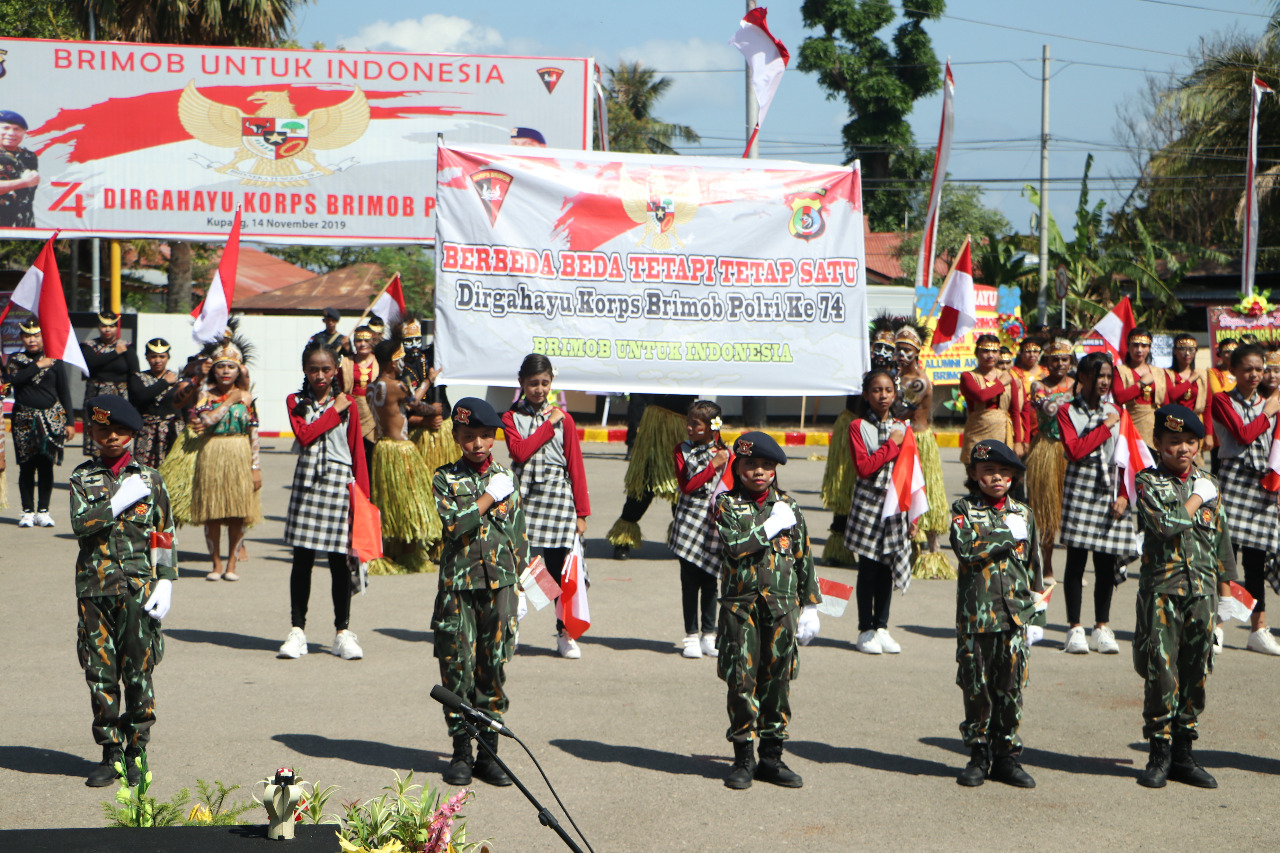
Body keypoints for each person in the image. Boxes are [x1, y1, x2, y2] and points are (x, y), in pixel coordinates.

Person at [70, 395, 177, 787]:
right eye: (103, 430)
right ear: (93, 433)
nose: (111, 436)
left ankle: (137, 750)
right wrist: (115, 504)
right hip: (95, 591)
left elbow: (164, 532)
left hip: (138, 589)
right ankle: (110, 751)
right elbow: (81, 524)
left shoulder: (151, 479)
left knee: (139, 672)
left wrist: (166, 579)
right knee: (100, 672)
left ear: (132, 433)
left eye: (119, 430)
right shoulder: (82, 478)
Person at [1132, 405, 1235, 788]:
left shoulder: (1208, 482)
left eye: (1190, 442)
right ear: (1158, 444)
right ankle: (1158, 752)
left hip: (1202, 592)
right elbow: (1163, 525)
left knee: (1196, 671)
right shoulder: (1148, 482)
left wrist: (1227, 592)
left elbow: (1222, 539)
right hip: (1163, 590)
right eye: (1174, 442)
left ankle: (1183, 752)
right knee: (1161, 671)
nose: (1183, 449)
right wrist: (1196, 499)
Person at [715, 431, 820, 790]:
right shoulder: (727, 505)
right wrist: (770, 526)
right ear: (738, 467)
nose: (759, 471)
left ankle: (772, 757)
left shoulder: (790, 506)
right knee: (742, 682)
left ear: (775, 469)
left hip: (782, 609)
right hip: (741, 610)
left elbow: (804, 558)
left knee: (778, 682)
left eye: (766, 465)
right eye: (750, 465)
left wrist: (810, 608)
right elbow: (735, 546)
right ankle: (743, 757)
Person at [433, 397, 529, 788]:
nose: (477, 444)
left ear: (495, 439)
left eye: (485, 436)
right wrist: (490, 496)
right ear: (456, 436)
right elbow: (456, 525)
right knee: (458, 670)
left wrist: (522, 583)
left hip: (500, 588)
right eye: (469, 436)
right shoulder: (446, 478)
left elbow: (518, 535)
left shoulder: (507, 477)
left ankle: (489, 753)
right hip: (459, 588)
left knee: (493, 667)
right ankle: (461, 752)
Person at [949, 439, 1043, 789]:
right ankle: (978, 753)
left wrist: (1037, 614)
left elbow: (1032, 567)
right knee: (977, 687)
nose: (997, 477)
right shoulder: (963, 510)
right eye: (988, 471)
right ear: (974, 474)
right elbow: (967, 549)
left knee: (1011, 687)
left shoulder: (1024, 513)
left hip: (1014, 617)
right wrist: (1005, 534)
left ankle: (1006, 756)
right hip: (977, 618)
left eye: (1005, 471)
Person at [278, 344, 370, 662]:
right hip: (307, 487)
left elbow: (358, 451)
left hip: (339, 487)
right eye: (314, 369)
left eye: (326, 369)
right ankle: (297, 631)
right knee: (302, 560)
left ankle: (342, 632)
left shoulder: (352, 406)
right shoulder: (296, 402)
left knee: (338, 563)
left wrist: (364, 499)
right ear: (305, 370)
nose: (320, 375)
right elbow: (305, 435)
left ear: (336, 370)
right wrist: (335, 410)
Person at [501, 354, 591, 659]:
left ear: (551, 381)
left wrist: (582, 513)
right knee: (525, 566)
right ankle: (514, 628)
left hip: (559, 500)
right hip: (526, 500)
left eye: (544, 382)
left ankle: (565, 633)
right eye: (532, 383)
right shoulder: (511, 418)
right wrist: (546, 424)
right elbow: (520, 452)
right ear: (521, 383)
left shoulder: (564, 419)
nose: (539, 389)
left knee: (562, 570)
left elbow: (575, 466)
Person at [1057, 352, 1139, 655]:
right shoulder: (1067, 411)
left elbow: (1128, 457)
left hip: (1112, 494)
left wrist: (1123, 495)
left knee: (1105, 563)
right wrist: (1105, 426)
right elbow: (1075, 450)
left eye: (1108, 376)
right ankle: (1074, 628)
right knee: (1076, 562)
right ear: (1083, 377)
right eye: (1098, 376)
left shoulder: (1119, 411)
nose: (1104, 382)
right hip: (1081, 491)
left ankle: (1102, 626)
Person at [1209, 342, 1280, 655]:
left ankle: (1258, 629)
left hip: (1261, 489)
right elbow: (1242, 434)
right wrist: (1267, 412)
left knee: (1256, 561)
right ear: (1233, 371)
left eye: (1259, 369)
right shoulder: (1222, 400)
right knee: (1225, 559)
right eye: (1248, 369)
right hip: (1233, 482)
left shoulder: (1270, 402)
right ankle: (1217, 626)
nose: (1255, 374)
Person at [844, 368, 914, 655]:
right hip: (868, 505)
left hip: (895, 505)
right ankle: (865, 629)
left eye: (887, 390)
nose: (882, 395)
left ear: (895, 393)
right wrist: (891, 445)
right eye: (876, 390)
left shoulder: (903, 426)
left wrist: (914, 516)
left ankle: (882, 626)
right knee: (869, 568)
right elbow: (864, 468)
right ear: (865, 394)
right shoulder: (858, 426)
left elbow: (912, 472)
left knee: (887, 566)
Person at [821, 315, 899, 567]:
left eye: (889, 348)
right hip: (853, 430)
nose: (882, 352)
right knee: (845, 487)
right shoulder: (855, 371)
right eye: (878, 347)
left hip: (886, 435)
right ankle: (839, 546)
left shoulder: (896, 378)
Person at [188, 338, 262, 581]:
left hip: (239, 453)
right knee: (213, 513)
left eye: (231, 367)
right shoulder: (204, 395)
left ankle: (232, 564)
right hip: (212, 453)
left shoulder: (248, 398)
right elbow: (206, 421)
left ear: (239, 369)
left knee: (236, 513)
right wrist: (230, 400)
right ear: (214, 369)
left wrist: (255, 468)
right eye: (221, 366)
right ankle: (216, 564)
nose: (226, 371)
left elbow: (254, 433)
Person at [668, 400, 733, 659]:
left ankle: (709, 633)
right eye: (689, 422)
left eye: (696, 423)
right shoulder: (681, 450)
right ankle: (691, 636)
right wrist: (713, 466)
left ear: (712, 426)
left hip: (712, 522)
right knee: (689, 581)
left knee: (710, 581)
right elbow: (687, 485)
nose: (690, 427)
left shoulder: (726, 452)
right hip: (688, 521)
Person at [368, 340, 434, 573]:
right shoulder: (396, 386)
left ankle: (391, 552)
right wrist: (435, 410)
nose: (403, 363)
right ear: (391, 362)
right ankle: (408, 555)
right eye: (400, 359)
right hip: (400, 450)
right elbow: (418, 406)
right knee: (409, 503)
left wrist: (427, 381)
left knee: (390, 504)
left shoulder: (372, 386)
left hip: (382, 449)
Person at [893, 319, 952, 579]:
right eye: (899, 349)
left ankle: (932, 552)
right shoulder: (896, 377)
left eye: (908, 350)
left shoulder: (917, 381)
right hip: (901, 439)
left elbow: (901, 410)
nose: (902, 355)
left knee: (923, 491)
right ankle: (910, 548)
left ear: (917, 353)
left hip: (918, 441)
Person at [606, 393, 696, 560]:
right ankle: (623, 540)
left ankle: (683, 540)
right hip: (654, 424)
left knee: (680, 492)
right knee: (642, 490)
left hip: (681, 424)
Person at [7, 318, 74, 527]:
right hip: (24, 419)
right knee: (26, 466)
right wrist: (37, 365)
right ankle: (27, 511)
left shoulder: (55, 360)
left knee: (46, 465)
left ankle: (43, 511)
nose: (32, 340)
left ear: (43, 337)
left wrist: (70, 421)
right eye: (27, 335)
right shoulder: (15, 360)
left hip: (50, 419)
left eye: (36, 335)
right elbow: (13, 381)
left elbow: (64, 392)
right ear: (22, 338)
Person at [399, 317, 456, 556]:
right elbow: (401, 412)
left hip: (445, 433)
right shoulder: (398, 370)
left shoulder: (434, 356)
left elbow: (450, 331)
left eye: (416, 339)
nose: (413, 344)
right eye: (407, 340)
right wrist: (425, 419)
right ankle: (425, 542)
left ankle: (446, 542)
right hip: (419, 437)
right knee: (423, 490)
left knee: (449, 489)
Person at [1024, 337, 1076, 579]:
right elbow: (1049, 408)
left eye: (1064, 359)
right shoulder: (1038, 387)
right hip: (1045, 448)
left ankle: (1074, 568)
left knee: (1071, 511)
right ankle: (1047, 564)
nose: (1060, 364)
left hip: (1072, 450)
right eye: (1055, 360)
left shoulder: (1078, 385)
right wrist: (1074, 395)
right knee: (1045, 510)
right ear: (1047, 362)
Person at [128, 339, 197, 469]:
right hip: (147, 432)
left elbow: (186, 408)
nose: (157, 360)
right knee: (144, 472)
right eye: (153, 356)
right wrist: (164, 382)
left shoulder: (178, 380)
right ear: (147, 358)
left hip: (173, 433)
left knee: (173, 470)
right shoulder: (137, 378)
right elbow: (140, 397)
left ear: (168, 357)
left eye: (162, 356)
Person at [81, 312, 138, 457]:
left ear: (116, 328)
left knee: (119, 431)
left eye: (111, 326)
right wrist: (115, 353)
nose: (107, 330)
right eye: (104, 326)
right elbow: (91, 364)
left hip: (120, 395)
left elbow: (134, 374)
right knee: (99, 431)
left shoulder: (126, 347)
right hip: (97, 394)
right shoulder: (89, 346)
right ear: (99, 327)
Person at [960, 334, 1023, 465]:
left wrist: (1018, 442)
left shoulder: (1007, 377)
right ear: (977, 353)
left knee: (1000, 475)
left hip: (1002, 433)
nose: (990, 356)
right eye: (985, 351)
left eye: (994, 351)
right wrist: (1002, 383)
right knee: (978, 476)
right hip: (977, 432)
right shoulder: (969, 376)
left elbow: (1015, 411)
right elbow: (981, 396)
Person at [1114, 327, 1168, 450]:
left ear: (1149, 348)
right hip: (1131, 423)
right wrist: (1141, 384)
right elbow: (1119, 397)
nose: (1139, 350)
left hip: (1155, 425)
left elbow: (1166, 402)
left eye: (1144, 346)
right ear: (1128, 347)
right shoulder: (1120, 371)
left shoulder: (1158, 372)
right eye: (1135, 345)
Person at [342, 325, 379, 463]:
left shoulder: (379, 361)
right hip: (353, 411)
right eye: (358, 340)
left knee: (372, 456)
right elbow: (339, 389)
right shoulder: (346, 362)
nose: (362, 344)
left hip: (375, 413)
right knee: (354, 455)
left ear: (373, 342)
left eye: (366, 340)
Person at [0, 110, 39, 228]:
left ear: (24, 132)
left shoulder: (28, 157)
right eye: (6, 128)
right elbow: (27, 183)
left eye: (17, 129)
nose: (11, 133)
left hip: (23, 224)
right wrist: (23, 183)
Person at [1207, 338, 1238, 475]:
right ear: (1220, 353)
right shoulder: (1214, 372)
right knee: (1218, 465)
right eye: (1226, 351)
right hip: (1222, 421)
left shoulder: (1243, 371)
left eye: (1233, 351)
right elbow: (1217, 393)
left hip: (1242, 421)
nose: (1230, 355)